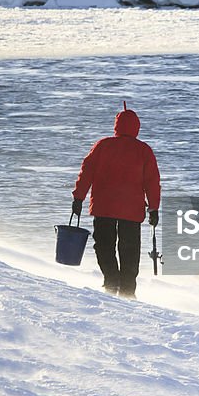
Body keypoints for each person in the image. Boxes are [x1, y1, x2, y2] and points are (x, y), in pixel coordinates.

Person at [71, 102, 161, 299]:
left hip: (104, 207)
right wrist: (154, 209)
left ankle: (111, 281)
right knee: (129, 250)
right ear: (137, 127)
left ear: (116, 125)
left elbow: (86, 172)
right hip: (131, 210)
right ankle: (128, 290)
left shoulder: (103, 146)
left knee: (104, 246)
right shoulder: (144, 151)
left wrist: (78, 198)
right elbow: (152, 182)